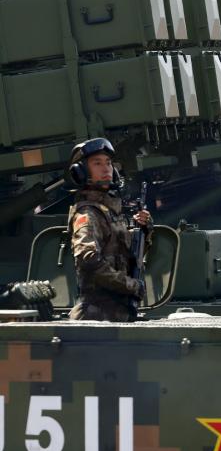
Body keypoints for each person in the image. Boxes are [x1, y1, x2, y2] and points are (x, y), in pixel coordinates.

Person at [66, 138, 152, 322]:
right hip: (96, 317)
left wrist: (144, 231)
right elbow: (88, 261)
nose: (106, 169)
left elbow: (125, 259)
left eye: (108, 163)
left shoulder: (110, 212)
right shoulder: (88, 213)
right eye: (97, 163)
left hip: (117, 314)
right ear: (81, 172)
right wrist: (130, 285)